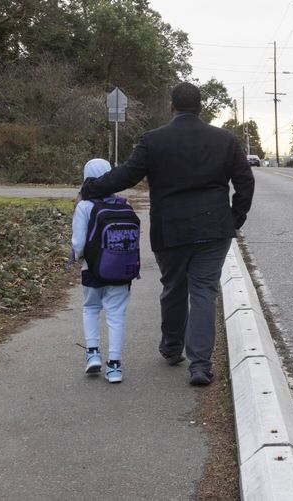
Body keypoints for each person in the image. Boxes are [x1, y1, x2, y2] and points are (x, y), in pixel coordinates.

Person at [81, 82, 255, 386]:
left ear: (171, 107)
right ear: (200, 107)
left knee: (174, 287)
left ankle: (173, 349)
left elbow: (127, 174)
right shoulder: (226, 140)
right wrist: (233, 218)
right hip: (214, 229)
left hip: (170, 229)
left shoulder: (154, 141)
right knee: (204, 291)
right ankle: (200, 365)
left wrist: (91, 188)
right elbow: (245, 182)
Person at [72, 158, 131, 383]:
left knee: (91, 309)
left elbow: (78, 244)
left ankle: (93, 354)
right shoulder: (123, 204)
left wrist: (77, 258)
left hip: (93, 269)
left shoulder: (84, 206)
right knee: (116, 315)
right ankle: (114, 366)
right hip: (121, 271)